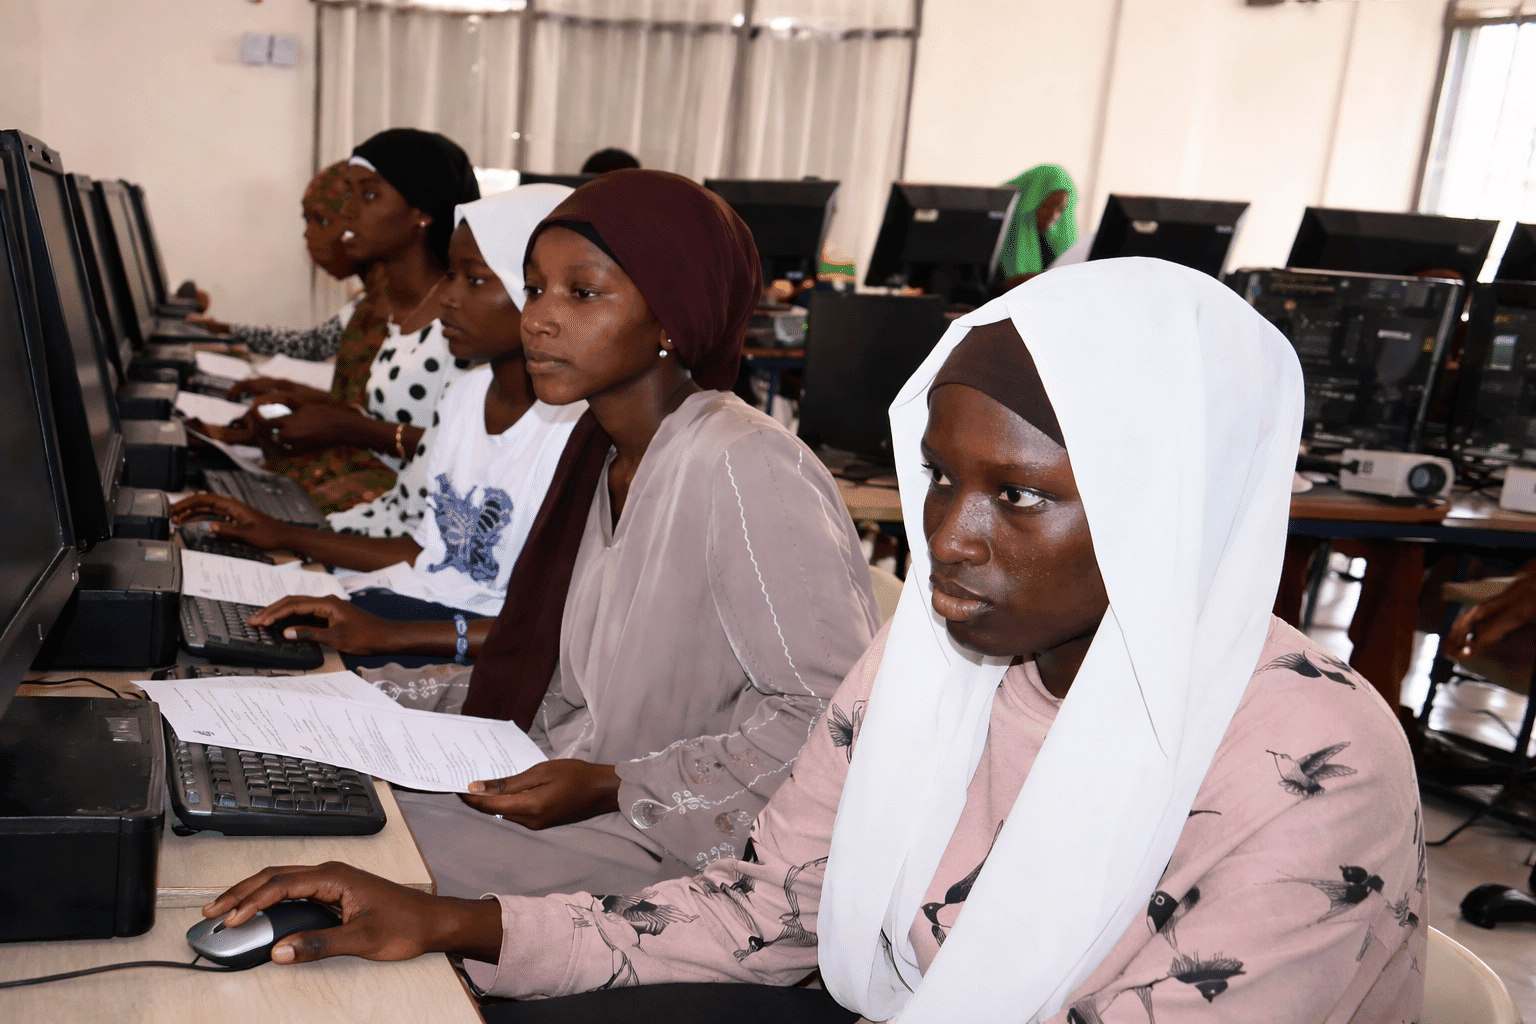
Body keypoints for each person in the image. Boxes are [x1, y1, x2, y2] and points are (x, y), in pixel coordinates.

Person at [202, 259, 1424, 1024]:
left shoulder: (1310, 764)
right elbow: (774, 905)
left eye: (1022, 497)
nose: (950, 536)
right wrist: (450, 919)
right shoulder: (936, 660)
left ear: (1175, 508)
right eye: (941, 479)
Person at [347, 168, 876, 902]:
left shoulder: (745, 465)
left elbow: (836, 723)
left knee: (366, 854)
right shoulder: (604, 452)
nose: (539, 318)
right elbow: (561, 682)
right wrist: (366, 703)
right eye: (533, 289)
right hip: (579, 787)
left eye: (582, 293)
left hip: (680, 847)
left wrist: (614, 784)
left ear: (671, 317)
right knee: (336, 799)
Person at [170, 184, 581, 671]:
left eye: (473, 280)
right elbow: (426, 553)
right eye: (451, 275)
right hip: (425, 607)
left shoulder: (575, 433)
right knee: (215, 634)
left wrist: (389, 634)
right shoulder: (468, 395)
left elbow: (552, 628)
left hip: (477, 645)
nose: (446, 298)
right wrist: (280, 533)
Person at [240, 129, 482, 517]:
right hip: (377, 491)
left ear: (421, 211)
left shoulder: (466, 321)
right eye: (349, 193)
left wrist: (340, 424)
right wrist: (300, 401)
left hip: (410, 510)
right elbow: (369, 413)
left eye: (368, 195)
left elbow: (468, 453)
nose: (348, 211)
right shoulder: (389, 306)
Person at [187, 161, 368, 361]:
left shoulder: (392, 305)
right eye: (308, 220)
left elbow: (313, 347)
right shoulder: (370, 300)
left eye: (322, 220)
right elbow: (313, 344)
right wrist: (225, 329)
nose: (308, 235)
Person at [997, 163, 1078, 290]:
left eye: (1060, 208)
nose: (1053, 215)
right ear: (1029, 201)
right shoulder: (997, 236)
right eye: (1045, 205)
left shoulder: (1053, 245)